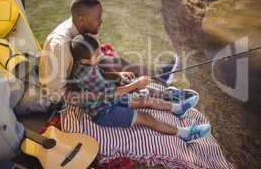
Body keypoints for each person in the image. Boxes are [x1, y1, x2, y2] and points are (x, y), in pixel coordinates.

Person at [39, 0, 178, 105]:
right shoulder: (60, 45)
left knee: (119, 62)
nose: (101, 22)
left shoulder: (88, 26)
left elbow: (99, 60)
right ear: (81, 19)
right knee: (121, 90)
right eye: (97, 18)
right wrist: (104, 94)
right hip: (66, 88)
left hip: (84, 69)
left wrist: (118, 75)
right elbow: (56, 93)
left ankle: (160, 75)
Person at [70, 35, 211, 143]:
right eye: (96, 54)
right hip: (104, 111)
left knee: (145, 99)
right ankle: (185, 134)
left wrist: (119, 75)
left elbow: (101, 72)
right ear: (84, 60)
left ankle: (177, 108)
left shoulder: (85, 62)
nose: (100, 55)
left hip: (109, 100)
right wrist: (135, 85)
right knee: (147, 118)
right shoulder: (88, 76)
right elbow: (111, 94)